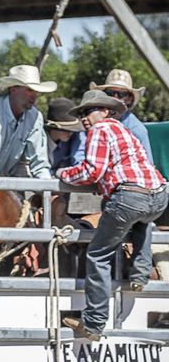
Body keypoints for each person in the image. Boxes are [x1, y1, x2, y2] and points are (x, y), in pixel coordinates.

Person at [59, 90, 167, 341]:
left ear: (105, 111)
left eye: (89, 111)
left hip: (129, 195)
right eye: (83, 113)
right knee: (142, 220)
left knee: (98, 254)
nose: (85, 118)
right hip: (159, 193)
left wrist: (63, 175)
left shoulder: (99, 131)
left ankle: (94, 323)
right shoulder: (124, 130)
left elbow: (92, 170)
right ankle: (140, 273)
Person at [0, 64, 55, 178]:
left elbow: (39, 163)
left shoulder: (34, 117)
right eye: (29, 90)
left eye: (36, 91)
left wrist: (48, 191)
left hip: (3, 182)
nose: (35, 95)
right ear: (13, 89)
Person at [90, 68, 153, 161]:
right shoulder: (93, 119)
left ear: (129, 99)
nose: (115, 97)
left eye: (121, 94)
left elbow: (147, 165)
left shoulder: (137, 130)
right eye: (110, 93)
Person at [44, 97, 85, 173]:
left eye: (73, 129)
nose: (71, 133)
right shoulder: (39, 140)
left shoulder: (75, 137)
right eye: (67, 129)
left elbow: (79, 160)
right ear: (53, 128)